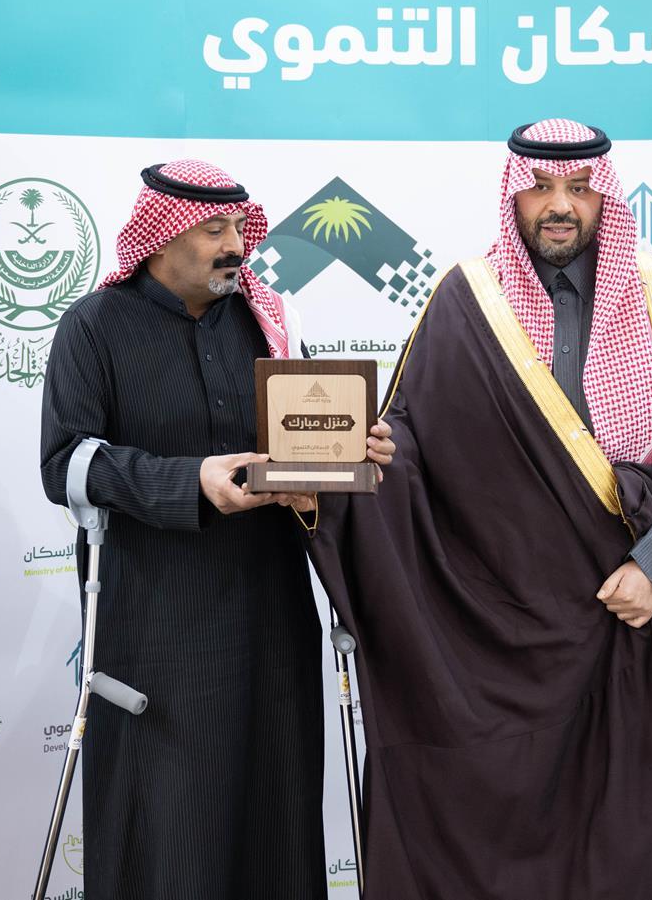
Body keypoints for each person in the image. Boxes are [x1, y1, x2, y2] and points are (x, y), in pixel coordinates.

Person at [305, 118, 652, 899]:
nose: (559, 204)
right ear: (514, 196)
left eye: (578, 188)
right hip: (499, 625)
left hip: (623, 613)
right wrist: (352, 464)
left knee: (627, 840)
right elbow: (413, 452)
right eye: (540, 187)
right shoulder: (466, 300)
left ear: (605, 197)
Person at [39, 160, 394, 900]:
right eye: (213, 229)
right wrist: (189, 481)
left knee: (277, 823)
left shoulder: (265, 323)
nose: (236, 244)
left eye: (239, 226)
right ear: (160, 237)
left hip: (271, 621)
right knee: (171, 834)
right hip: (156, 631)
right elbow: (66, 465)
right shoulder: (94, 326)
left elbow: (307, 454)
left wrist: (354, 451)